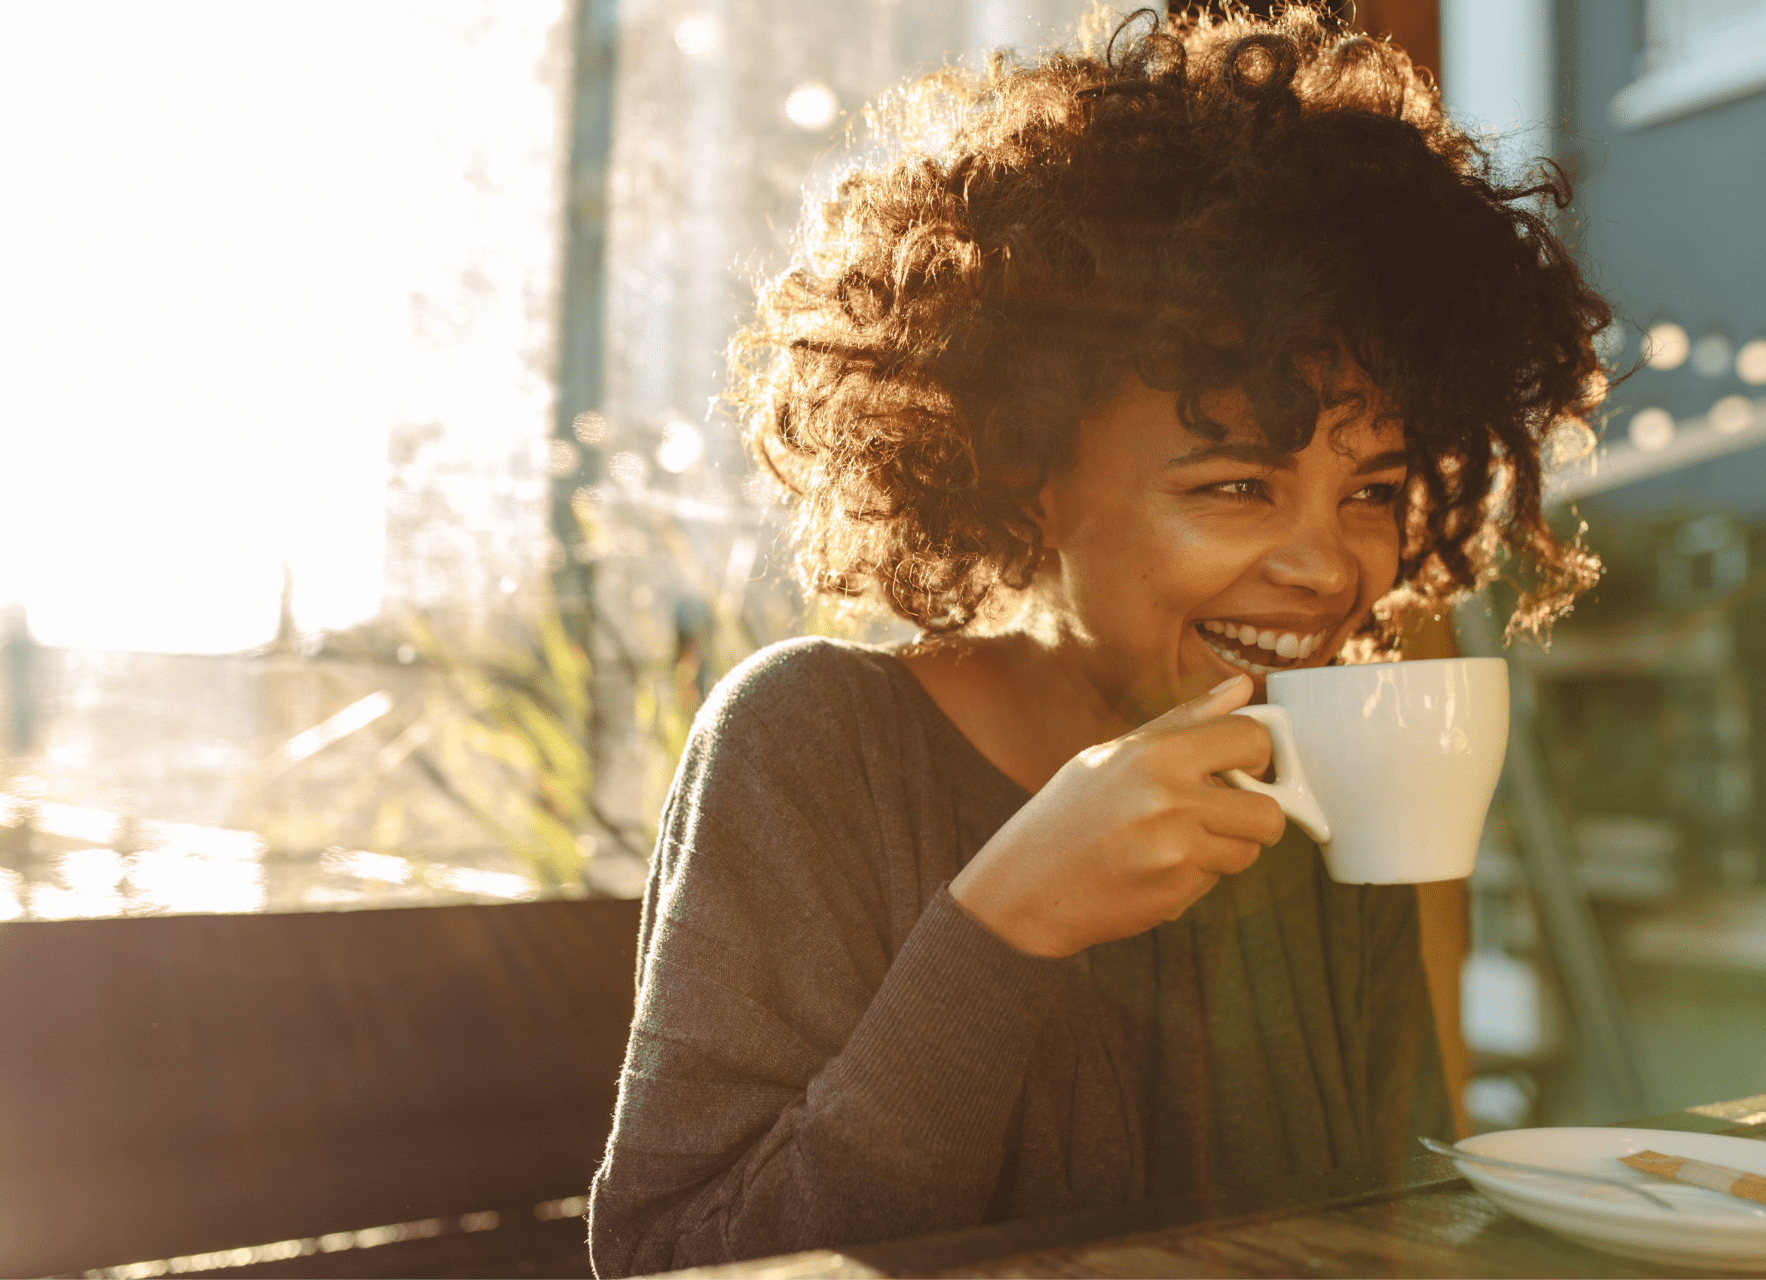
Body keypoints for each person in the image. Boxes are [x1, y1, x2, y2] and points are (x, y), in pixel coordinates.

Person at [589, 5, 1609, 1274]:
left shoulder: (1319, 772)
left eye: (1374, 491)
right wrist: (1002, 926)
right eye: (1237, 485)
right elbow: (672, 1257)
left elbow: (1381, 1221)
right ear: (1024, 474)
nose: (1330, 563)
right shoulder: (813, 741)